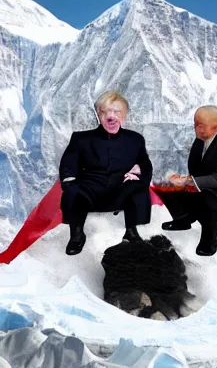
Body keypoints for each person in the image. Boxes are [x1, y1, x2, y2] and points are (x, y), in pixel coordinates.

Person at [59, 91, 153, 256]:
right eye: (105, 112)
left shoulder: (135, 139)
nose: (111, 116)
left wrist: (138, 171)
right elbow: (68, 163)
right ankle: (77, 234)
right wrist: (70, 182)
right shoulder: (81, 139)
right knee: (73, 192)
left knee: (137, 188)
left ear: (124, 115)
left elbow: (145, 163)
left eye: (116, 112)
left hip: (121, 189)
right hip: (91, 190)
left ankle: (131, 231)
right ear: (98, 115)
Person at [156, 106, 217, 256]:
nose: (196, 129)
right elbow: (196, 168)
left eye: (200, 125)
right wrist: (182, 181)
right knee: (164, 185)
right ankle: (183, 219)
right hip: (202, 188)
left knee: (209, 201)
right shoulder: (203, 138)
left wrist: (191, 182)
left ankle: (209, 240)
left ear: (216, 126)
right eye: (196, 124)